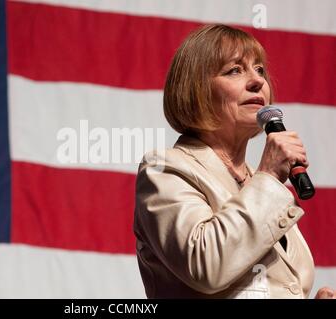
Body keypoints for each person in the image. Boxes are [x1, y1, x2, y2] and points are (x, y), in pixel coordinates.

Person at [133, 24, 335, 299]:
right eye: (235, 70)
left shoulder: (258, 181)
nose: (257, 81)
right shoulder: (166, 169)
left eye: (260, 69)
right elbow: (205, 266)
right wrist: (269, 178)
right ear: (197, 89)